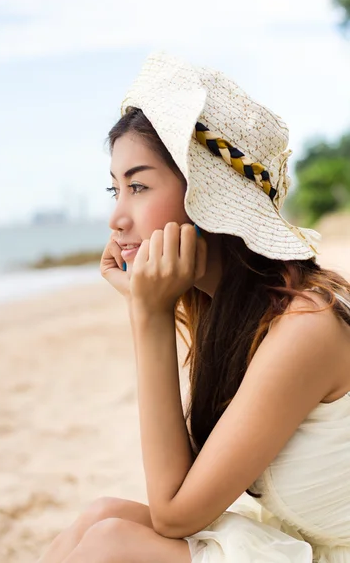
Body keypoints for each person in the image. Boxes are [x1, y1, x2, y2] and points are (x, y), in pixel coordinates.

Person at [37, 51, 350, 563]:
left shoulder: (305, 326)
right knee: (99, 517)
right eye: (115, 189)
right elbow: (181, 498)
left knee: (110, 546)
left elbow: (175, 512)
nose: (117, 217)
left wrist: (150, 315)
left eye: (138, 186)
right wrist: (153, 305)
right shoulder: (239, 314)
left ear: (206, 196)